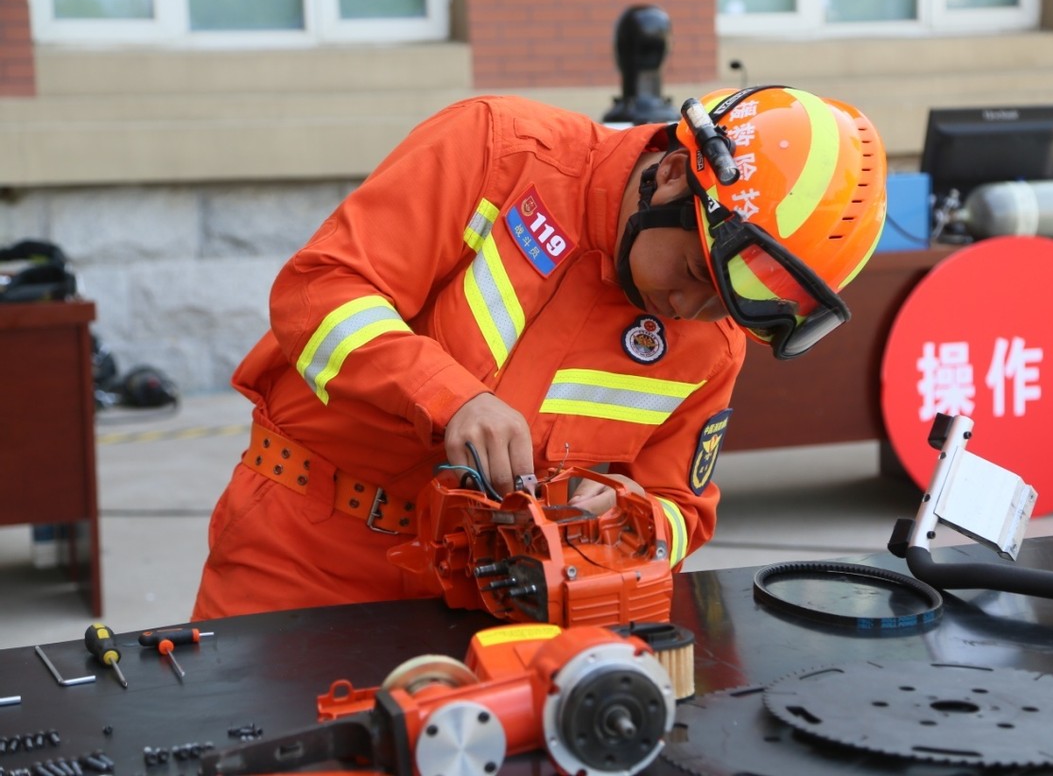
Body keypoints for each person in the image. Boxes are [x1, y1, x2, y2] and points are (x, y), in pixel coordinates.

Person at [191, 85, 887, 620]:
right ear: (674, 175)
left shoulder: (713, 341)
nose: (692, 312)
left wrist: (624, 518)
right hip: (307, 552)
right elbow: (317, 293)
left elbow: (683, 509)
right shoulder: (497, 152)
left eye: (729, 307)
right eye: (697, 275)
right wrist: (448, 395)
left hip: (503, 604)